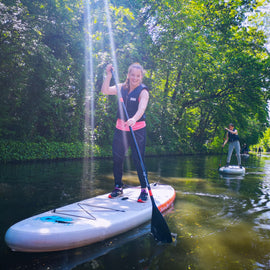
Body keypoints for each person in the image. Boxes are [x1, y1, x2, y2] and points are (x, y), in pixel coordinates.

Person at [101, 63, 150, 203]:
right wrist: (109, 76)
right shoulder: (122, 87)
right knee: (117, 159)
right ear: (128, 75)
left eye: (138, 76)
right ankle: (118, 187)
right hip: (121, 129)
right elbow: (104, 91)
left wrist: (134, 119)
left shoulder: (143, 91)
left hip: (137, 129)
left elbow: (142, 108)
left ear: (141, 77)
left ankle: (143, 190)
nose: (135, 78)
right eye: (132, 75)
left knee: (138, 159)